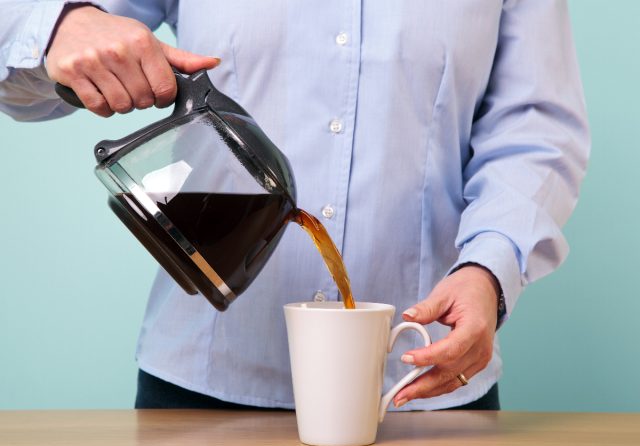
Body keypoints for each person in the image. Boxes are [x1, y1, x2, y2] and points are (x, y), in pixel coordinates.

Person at [0, 1, 589, 411]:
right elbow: (25, 66)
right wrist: (60, 26)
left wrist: (490, 269)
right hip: (204, 391)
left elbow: (535, 128)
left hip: (422, 388)